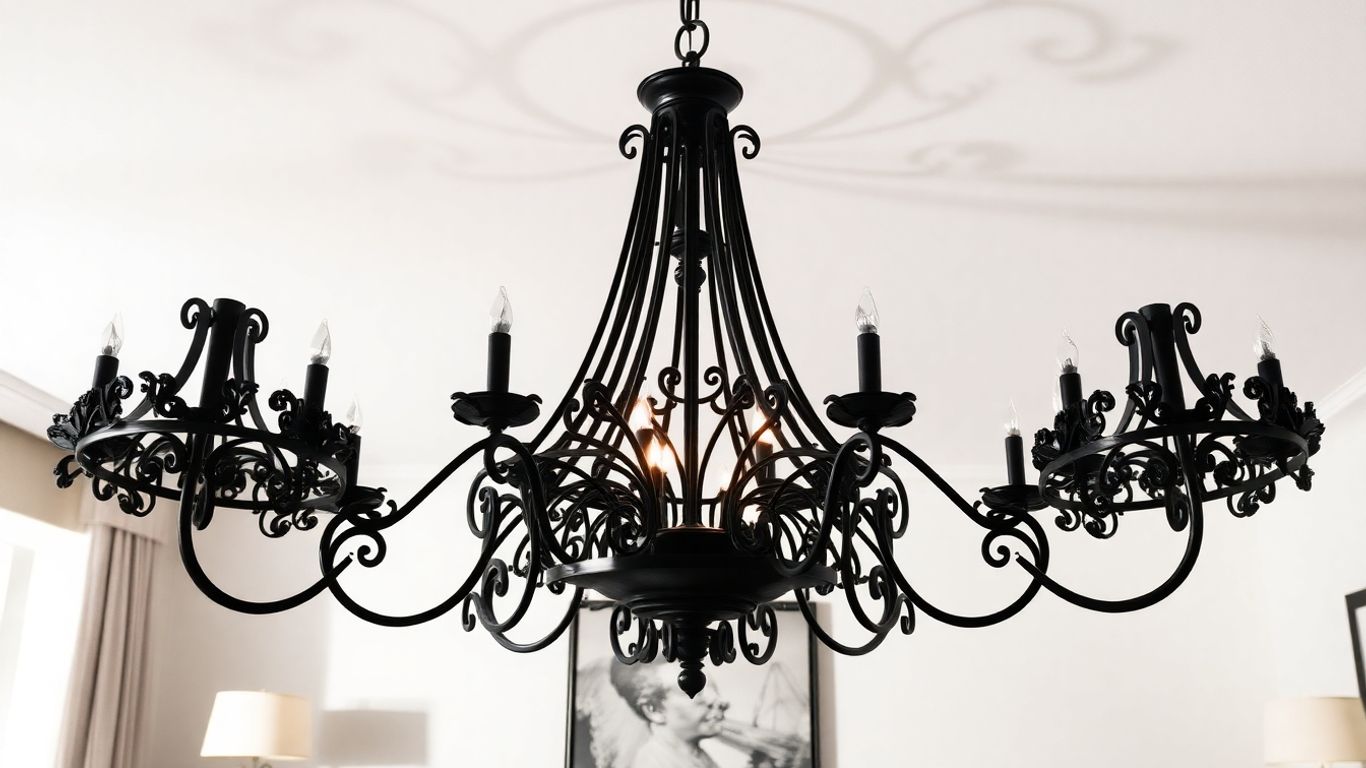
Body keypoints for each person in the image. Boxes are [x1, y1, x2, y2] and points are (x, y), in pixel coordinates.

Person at [610, 662, 730, 768]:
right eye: (696, 691)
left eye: (713, 689)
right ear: (654, 710)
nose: (721, 702)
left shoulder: (694, 756)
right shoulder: (652, 764)